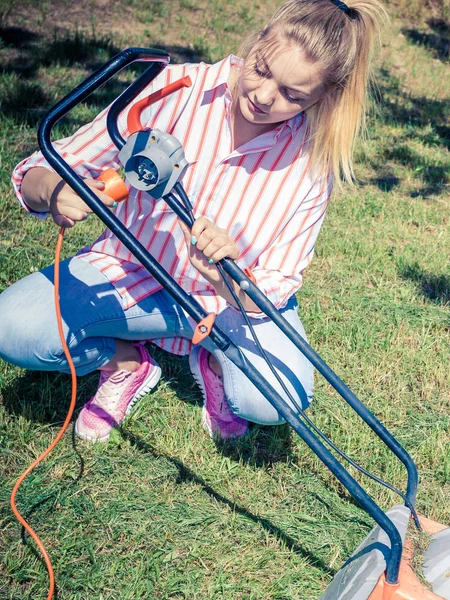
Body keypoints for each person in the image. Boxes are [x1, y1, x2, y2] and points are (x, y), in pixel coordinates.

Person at [0, 0, 386, 442]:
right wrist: (53, 190)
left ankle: (215, 358)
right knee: (12, 327)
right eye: (261, 70)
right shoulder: (175, 90)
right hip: (130, 273)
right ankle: (127, 362)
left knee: (280, 398)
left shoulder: (313, 162)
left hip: (226, 304)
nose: (262, 96)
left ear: (325, 96)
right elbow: (42, 166)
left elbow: (277, 283)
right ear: (257, 41)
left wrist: (228, 278)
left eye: (292, 95)